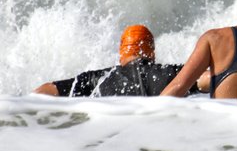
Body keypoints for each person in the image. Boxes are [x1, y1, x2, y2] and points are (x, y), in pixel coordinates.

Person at [33, 24, 197, 97]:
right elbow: (206, 79)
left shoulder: (97, 79)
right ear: (152, 53)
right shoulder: (173, 74)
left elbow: (46, 90)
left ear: (121, 52)